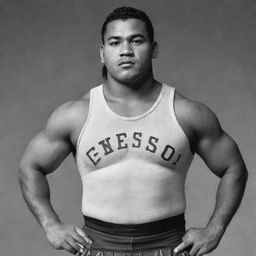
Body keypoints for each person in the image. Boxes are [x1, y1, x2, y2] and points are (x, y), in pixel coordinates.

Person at [19, 6, 248, 256]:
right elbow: (31, 167)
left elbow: (233, 168)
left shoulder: (186, 113)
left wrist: (215, 229)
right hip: (98, 246)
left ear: (154, 48)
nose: (126, 51)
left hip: (168, 245)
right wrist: (50, 224)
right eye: (115, 42)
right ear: (102, 52)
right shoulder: (76, 115)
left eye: (136, 40)